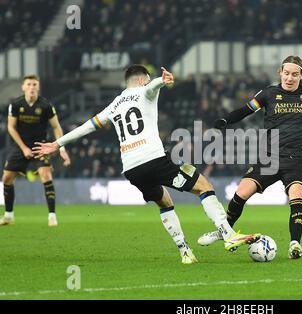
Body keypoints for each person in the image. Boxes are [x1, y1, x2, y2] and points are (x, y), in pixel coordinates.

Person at [32, 65, 260, 264]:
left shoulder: (114, 104)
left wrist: (57, 143)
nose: (149, 84)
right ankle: (228, 234)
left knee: (164, 203)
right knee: (204, 186)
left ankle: (185, 252)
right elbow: (152, 89)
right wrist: (162, 81)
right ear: (141, 80)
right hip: (154, 159)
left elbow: (87, 127)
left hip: (131, 169)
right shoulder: (145, 91)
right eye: (148, 80)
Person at [197, 56, 302, 259]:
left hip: (296, 158)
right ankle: (226, 233)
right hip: (269, 157)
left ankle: (295, 244)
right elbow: (245, 110)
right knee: (241, 192)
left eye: (294, 74)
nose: (290, 78)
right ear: (280, 72)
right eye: (286, 73)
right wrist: (225, 120)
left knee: (297, 197)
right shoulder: (269, 94)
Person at [1, 75, 71, 227]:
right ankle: (8, 215)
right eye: (29, 84)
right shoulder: (16, 104)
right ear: (23, 87)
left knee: (46, 175)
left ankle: (52, 216)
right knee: (6, 178)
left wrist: (61, 148)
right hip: (20, 146)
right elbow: (11, 128)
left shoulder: (46, 106)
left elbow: (56, 127)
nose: (32, 87)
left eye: (34, 84)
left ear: (38, 87)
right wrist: (24, 148)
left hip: (40, 145)